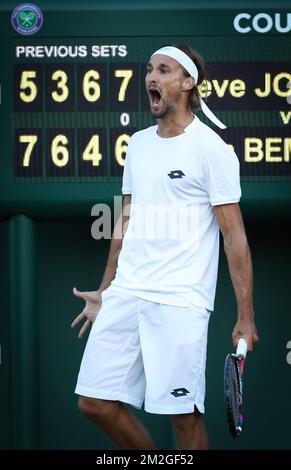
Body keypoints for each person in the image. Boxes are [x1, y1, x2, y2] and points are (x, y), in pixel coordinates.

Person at [71, 44, 259, 450]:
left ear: (188, 83)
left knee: (184, 420)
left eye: (164, 70)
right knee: (94, 402)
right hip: (126, 293)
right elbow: (124, 221)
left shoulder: (212, 150)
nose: (151, 77)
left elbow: (235, 237)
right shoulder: (138, 144)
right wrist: (105, 289)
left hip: (179, 301)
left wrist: (246, 316)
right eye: (150, 70)